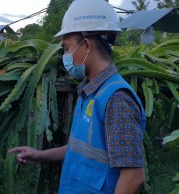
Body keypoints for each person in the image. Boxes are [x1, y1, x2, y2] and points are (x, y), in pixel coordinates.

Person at [9, 0, 147, 193]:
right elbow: (80, 150)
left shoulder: (116, 99)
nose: (65, 56)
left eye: (66, 48)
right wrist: (40, 155)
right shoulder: (89, 91)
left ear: (87, 46)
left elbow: (133, 176)